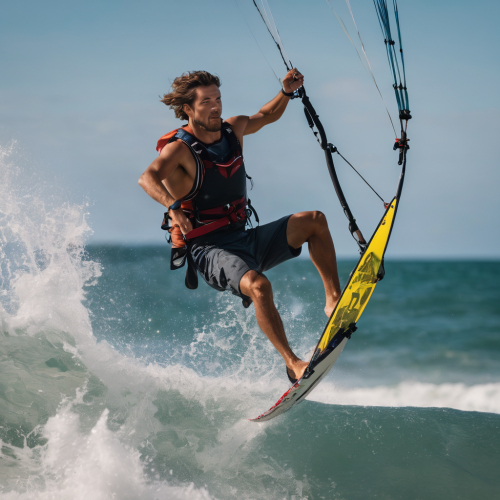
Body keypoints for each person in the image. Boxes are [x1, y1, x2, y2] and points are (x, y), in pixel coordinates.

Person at [138, 69, 342, 382]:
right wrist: (173, 206)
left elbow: (266, 114)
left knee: (314, 221)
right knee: (259, 286)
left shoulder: (234, 129)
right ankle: (293, 363)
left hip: (243, 237)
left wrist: (286, 92)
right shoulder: (180, 149)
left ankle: (333, 301)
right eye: (206, 101)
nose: (215, 106)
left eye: (217, 98)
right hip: (210, 250)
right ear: (188, 109)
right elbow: (147, 177)